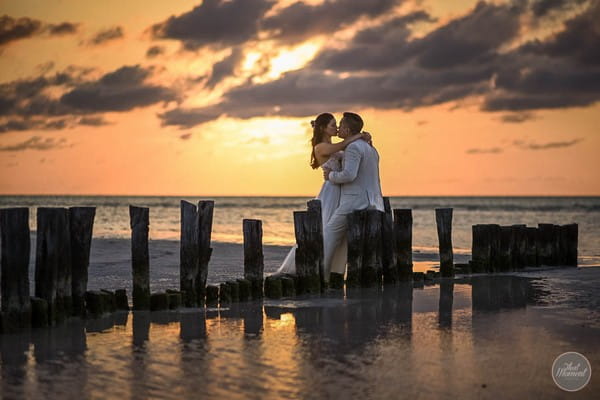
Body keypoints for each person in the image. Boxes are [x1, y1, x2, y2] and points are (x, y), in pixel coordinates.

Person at [275, 112, 371, 275]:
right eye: (333, 125)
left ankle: (332, 269)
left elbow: (348, 150)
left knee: (338, 231)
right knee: (326, 227)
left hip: (341, 187)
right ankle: (312, 265)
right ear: (323, 128)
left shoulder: (334, 145)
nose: (337, 128)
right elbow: (342, 145)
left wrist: (366, 140)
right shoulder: (321, 146)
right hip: (331, 190)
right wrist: (359, 135)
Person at [322, 112, 384, 282]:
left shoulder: (354, 147)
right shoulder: (371, 148)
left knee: (329, 234)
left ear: (347, 130)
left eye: (341, 125)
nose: (339, 128)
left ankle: (322, 274)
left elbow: (349, 175)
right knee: (345, 241)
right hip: (374, 201)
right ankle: (335, 274)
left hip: (355, 201)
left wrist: (331, 176)